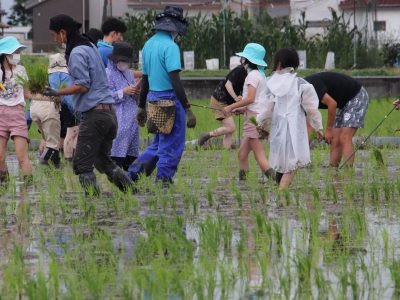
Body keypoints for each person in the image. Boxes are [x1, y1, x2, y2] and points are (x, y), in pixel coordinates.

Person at [46, 14, 132, 195]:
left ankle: (93, 204)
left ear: (63, 33)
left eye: (54, 35)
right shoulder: (90, 46)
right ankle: (132, 193)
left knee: (82, 164)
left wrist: (56, 92)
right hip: (109, 114)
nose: (54, 39)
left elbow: (82, 85)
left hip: (95, 116)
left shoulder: (77, 53)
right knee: (102, 161)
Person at [128, 6, 196, 187]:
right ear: (175, 27)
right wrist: (188, 109)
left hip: (153, 98)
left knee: (158, 142)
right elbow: (175, 79)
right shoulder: (170, 46)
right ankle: (164, 179)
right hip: (170, 100)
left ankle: (133, 174)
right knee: (171, 143)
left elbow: (145, 77)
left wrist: (141, 106)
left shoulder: (148, 44)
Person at [257, 48, 323, 189]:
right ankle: (281, 194)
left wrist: (260, 123)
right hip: (295, 130)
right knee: (292, 165)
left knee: (282, 163)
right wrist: (318, 127)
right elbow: (311, 109)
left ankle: (278, 191)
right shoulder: (300, 84)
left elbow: (266, 109)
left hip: (278, 130)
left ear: (279, 64)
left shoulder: (270, 84)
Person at [222, 43, 274, 181]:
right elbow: (255, 100)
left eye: (243, 58)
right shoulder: (259, 75)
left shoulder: (252, 77)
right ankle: (243, 183)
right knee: (242, 154)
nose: (241, 60)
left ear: (247, 60)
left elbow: (250, 99)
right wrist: (240, 107)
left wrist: (231, 107)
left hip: (253, 120)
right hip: (256, 117)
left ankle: (277, 182)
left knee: (259, 155)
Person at [305, 72, 369, 168]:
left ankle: (348, 172)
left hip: (356, 95)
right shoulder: (300, 99)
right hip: (343, 102)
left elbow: (332, 104)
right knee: (335, 139)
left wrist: (329, 129)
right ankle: (333, 170)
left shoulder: (308, 88)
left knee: (344, 136)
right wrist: (303, 152)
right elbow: (309, 125)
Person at [0, 36, 32, 184]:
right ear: (6, 54)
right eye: (15, 51)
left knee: (21, 156)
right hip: (1, 114)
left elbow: (27, 93)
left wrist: (48, 98)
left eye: (19, 51)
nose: (18, 54)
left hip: (17, 114)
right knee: (0, 156)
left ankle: (29, 190)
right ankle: (4, 185)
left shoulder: (21, 70)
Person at [106, 42, 140, 171]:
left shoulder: (129, 73)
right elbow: (106, 96)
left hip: (132, 118)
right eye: (121, 61)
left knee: (132, 150)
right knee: (117, 148)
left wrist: (136, 92)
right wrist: (123, 92)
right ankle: (116, 177)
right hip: (118, 117)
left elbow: (133, 90)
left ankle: (129, 178)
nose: (124, 64)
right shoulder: (108, 73)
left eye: (126, 61)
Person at [30, 53, 69, 167]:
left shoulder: (43, 73)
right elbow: (67, 97)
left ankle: (57, 164)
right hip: (50, 107)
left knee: (49, 139)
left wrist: (28, 119)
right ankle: (43, 162)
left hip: (35, 108)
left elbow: (33, 95)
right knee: (53, 143)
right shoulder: (64, 73)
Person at [197, 65, 247, 149]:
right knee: (230, 127)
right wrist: (236, 98)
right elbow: (228, 84)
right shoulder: (239, 70)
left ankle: (226, 150)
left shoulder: (248, 74)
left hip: (228, 102)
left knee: (229, 130)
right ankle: (206, 135)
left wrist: (237, 106)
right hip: (220, 100)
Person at [47, 53, 77, 162]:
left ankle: (59, 158)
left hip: (58, 105)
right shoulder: (64, 72)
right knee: (72, 132)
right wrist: (75, 110)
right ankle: (69, 159)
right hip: (69, 105)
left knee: (62, 133)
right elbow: (69, 94)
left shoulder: (50, 73)